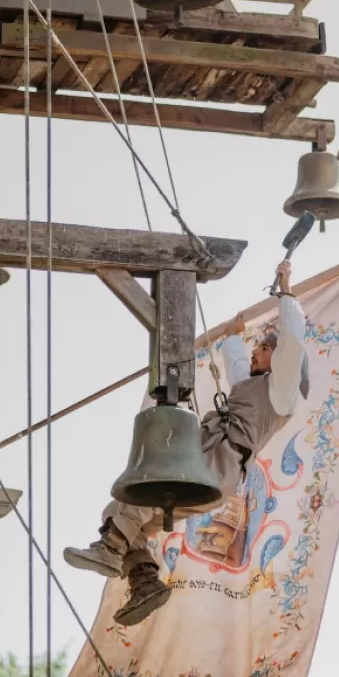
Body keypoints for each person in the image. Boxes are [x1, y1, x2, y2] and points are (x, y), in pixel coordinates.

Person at [63, 260, 309, 626]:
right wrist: (232, 335)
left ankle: (111, 549)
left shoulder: (281, 393)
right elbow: (237, 364)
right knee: (118, 510)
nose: (257, 349)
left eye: (263, 347)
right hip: (207, 464)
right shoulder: (251, 388)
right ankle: (144, 580)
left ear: (279, 359)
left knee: (144, 497)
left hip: (218, 465)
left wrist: (287, 291)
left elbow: (292, 342)